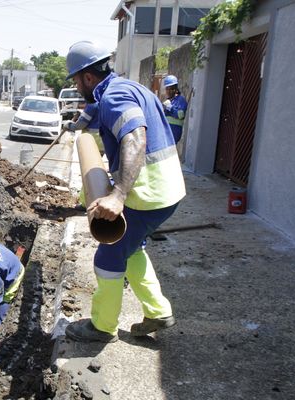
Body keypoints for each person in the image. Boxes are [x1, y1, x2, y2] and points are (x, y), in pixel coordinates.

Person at [63, 41, 186, 343]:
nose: (77, 88)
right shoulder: (124, 88)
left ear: (87, 78)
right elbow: (94, 111)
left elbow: (134, 137)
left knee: (108, 254)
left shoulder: (114, 96)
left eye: (76, 82)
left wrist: (117, 195)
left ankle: (102, 327)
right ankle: (157, 310)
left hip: (147, 193)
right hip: (167, 189)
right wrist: (76, 125)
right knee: (131, 249)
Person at [162, 75, 188, 144]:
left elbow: (180, 115)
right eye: (167, 89)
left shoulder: (180, 100)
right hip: (165, 133)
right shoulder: (169, 101)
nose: (168, 91)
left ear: (175, 89)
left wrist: (169, 107)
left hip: (174, 134)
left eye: (170, 89)